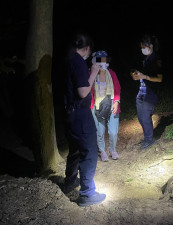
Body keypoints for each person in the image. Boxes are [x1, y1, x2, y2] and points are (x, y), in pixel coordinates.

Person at [63, 33, 106, 207]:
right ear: (87, 48)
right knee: (88, 150)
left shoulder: (67, 60)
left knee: (74, 149)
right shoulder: (78, 61)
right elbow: (83, 91)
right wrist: (94, 71)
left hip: (69, 113)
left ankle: (70, 181)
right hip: (80, 114)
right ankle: (87, 194)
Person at [131, 34, 163, 150]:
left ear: (151, 46)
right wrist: (135, 73)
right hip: (141, 91)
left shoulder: (157, 60)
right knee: (140, 117)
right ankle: (147, 137)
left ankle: (149, 140)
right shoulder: (145, 60)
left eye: (144, 46)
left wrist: (145, 76)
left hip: (151, 93)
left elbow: (159, 78)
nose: (142, 49)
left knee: (145, 117)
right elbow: (142, 73)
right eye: (141, 47)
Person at [90, 50, 121, 162]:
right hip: (97, 107)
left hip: (111, 104)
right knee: (99, 132)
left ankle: (112, 150)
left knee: (113, 132)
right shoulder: (91, 74)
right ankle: (102, 151)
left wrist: (116, 102)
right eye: (99, 60)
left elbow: (117, 88)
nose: (102, 63)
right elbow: (88, 92)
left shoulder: (111, 73)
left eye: (104, 60)